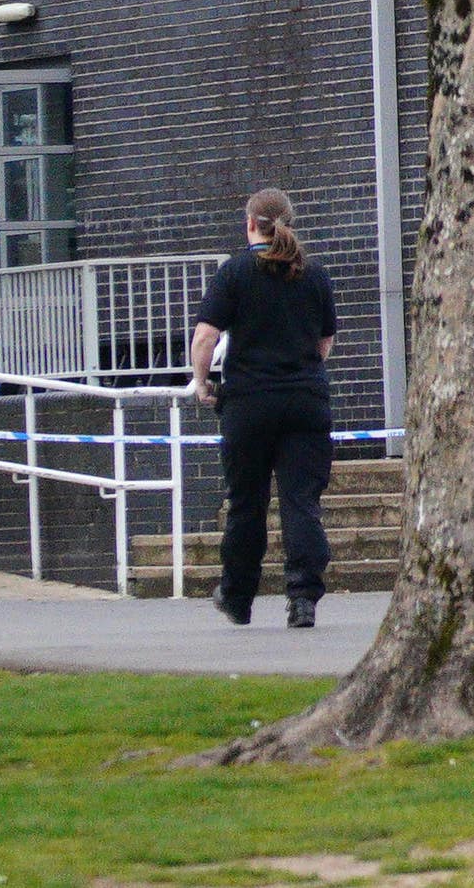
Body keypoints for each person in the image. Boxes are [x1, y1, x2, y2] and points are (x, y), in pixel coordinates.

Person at [189, 186, 338, 628]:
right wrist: (302, 371)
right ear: (289, 223)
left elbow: (205, 337)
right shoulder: (314, 275)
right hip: (305, 403)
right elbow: (325, 341)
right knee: (301, 501)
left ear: (251, 223)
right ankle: (303, 598)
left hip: (249, 404)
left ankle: (237, 597)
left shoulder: (234, 273)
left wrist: (201, 382)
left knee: (246, 503)